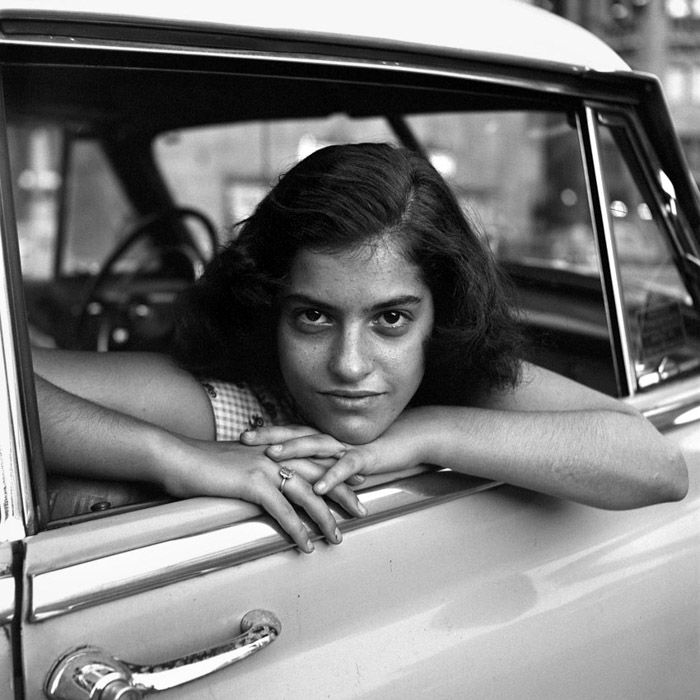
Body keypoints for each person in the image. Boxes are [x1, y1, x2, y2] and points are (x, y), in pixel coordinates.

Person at [33, 142, 688, 553]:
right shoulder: (239, 407)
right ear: (271, 307)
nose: (350, 364)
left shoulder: (458, 382)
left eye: (392, 320)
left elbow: (656, 466)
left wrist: (428, 433)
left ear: (441, 313)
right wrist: (175, 457)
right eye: (314, 316)